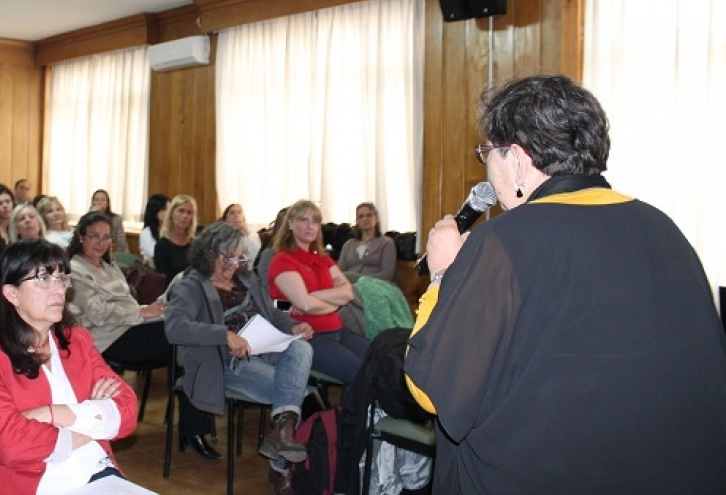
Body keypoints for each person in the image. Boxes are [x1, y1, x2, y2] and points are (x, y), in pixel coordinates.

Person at [405, 75, 726, 494]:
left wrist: (444, 274)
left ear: (517, 160)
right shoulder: (663, 227)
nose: (487, 165)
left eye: (488, 152)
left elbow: (434, 391)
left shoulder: (505, 241)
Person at [0, 239, 138, 494]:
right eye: (43, 279)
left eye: (62, 279)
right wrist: (94, 421)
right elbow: (10, 445)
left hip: (95, 472)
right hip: (27, 483)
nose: (59, 290)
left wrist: (53, 414)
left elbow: (127, 413)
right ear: (11, 293)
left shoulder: (77, 340)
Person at [164, 221, 314, 494]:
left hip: (265, 347)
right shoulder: (192, 285)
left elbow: (271, 311)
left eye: (239, 257)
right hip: (226, 361)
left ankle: (281, 435)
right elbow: (174, 328)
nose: (235, 264)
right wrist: (223, 335)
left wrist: (291, 326)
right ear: (210, 253)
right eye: (228, 257)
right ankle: (280, 469)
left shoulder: (248, 278)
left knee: (302, 348)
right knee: (295, 391)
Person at [67, 212, 219, 459]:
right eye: (94, 236)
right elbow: (99, 313)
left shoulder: (108, 264)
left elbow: (126, 304)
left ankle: (194, 427)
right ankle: (195, 428)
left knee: (189, 345)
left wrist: (154, 309)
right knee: (189, 340)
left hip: (132, 327)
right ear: (81, 237)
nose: (100, 243)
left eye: (106, 237)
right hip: (108, 340)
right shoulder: (75, 269)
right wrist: (143, 312)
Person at [269, 200, 370, 385]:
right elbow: (305, 305)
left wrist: (309, 296)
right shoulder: (282, 261)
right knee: (359, 372)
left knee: (380, 360)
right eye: (303, 220)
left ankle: (374, 411)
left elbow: (347, 293)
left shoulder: (323, 258)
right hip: (310, 336)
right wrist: (330, 301)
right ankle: (356, 414)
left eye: (315, 221)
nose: (310, 226)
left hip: (338, 329)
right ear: (290, 224)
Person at [337, 202, 398, 284]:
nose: (365, 219)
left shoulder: (386, 243)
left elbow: (387, 274)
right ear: (357, 221)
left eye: (369, 215)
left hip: (377, 285)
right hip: (350, 286)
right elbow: (339, 272)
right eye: (361, 216)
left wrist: (359, 279)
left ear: (376, 219)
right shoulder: (348, 245)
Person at [153, 194, 199, 282]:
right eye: (181, 211)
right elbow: (164, 280)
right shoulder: (162, 246)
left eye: (189, 212)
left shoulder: (195, 244)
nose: (185, 216)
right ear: (171, 214)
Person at [138, 194, 169, 265]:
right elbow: (157, 255)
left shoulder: (171, 230)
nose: (169, 213)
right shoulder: (146, 233)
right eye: (165, 209)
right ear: (155, 211)